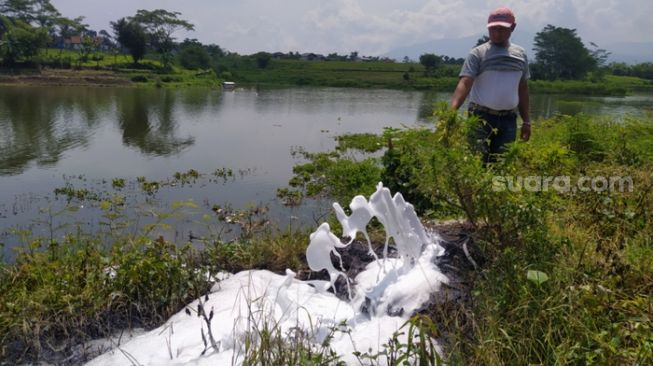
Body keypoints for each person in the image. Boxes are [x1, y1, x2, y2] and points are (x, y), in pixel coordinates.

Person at [450, 7, 531, 162]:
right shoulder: (478, 53)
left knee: (501, 164)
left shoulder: (520, 55)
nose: (496, 33)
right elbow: (465, 83)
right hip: (480, 118)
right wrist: (451, 113)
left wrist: (527, 121)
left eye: (501, 29)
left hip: (508, 120)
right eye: (493, 29)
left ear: (513, 28)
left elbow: (523, 89)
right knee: (475, 162)